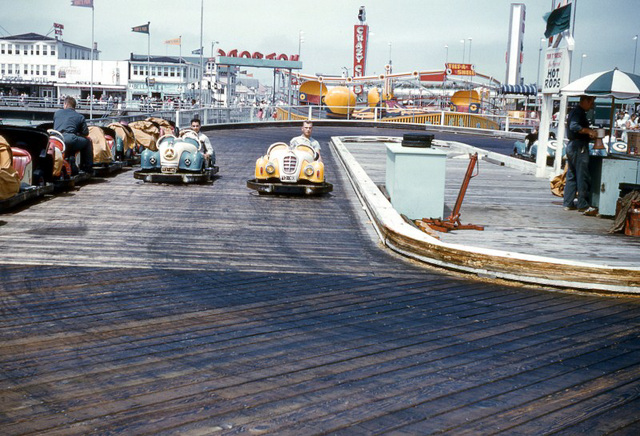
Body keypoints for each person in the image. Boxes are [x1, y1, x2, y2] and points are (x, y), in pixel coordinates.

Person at [563, 95, 597, 215]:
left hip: (572, 146)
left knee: (571, 175)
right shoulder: (579, 112)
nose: (592, 105)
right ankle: (583, 204)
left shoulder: (574, 111)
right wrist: (589, 131)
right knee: (582, 175)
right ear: (585, 101)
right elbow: (574, 126)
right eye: (591, 102)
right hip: (579, 147)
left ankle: (568, 203)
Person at [53, 96, 93, 173]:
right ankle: (87, 167)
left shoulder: (56, 113)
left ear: (65, 104)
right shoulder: (80, 116)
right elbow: (85, 133)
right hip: (70, 139)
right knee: (87, 141)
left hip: (57, 139)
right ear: (74, 106)